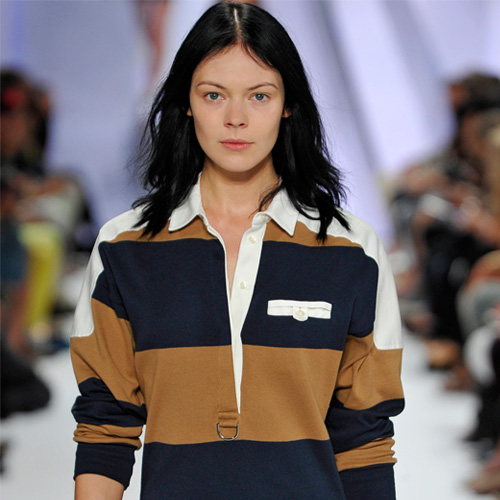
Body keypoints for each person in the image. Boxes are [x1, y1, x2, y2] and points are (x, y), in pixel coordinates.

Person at [70, 3, 404, 499]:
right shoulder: (125, 248)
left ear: (288, 104)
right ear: (186, 102)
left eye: (259, 96)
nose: (236, 119)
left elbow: (364, 441)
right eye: (214, 95)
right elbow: (105, 428)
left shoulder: (352, 251)